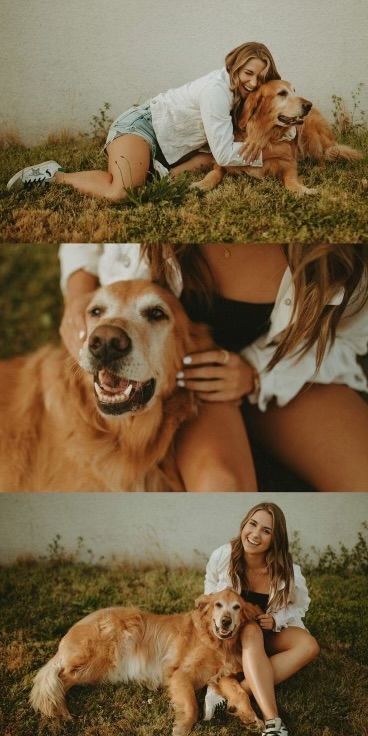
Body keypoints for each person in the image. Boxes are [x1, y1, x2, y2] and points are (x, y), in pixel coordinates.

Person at [58, 242, 368, 492]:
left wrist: (255, 374)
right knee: (221, 485)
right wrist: (78, 291)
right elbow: (94, 222)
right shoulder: (168, 178)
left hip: (285, 366)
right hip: (185, 381)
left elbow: (349, 338)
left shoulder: (339, 256)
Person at [7, 42, 280, 198]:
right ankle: (54, 176)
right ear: (234, 66)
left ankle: (157, 170)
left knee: (205, 159)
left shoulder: (242, 93)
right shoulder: (216, 92)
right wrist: (269, 154)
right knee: (122, 192)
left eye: (260, 77)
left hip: (170, 146)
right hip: (141, 127)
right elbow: (223, 151)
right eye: (248, 73)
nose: (254, 82)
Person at [203, 502, 320, 736]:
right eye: (252, 524)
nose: (255, 535)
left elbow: (299, 604)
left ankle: (235, 689)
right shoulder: (224, 556)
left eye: (266, 531)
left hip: (268, 633)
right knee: (250, 630)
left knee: (309, 645)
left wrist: (276, 620)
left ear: (275, 539)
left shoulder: (287, 570)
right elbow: (210, 592)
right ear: (244, 524)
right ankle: (272, 721)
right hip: (234, 635)